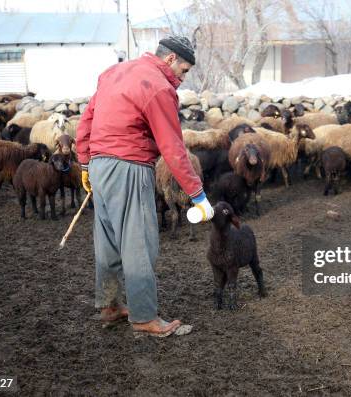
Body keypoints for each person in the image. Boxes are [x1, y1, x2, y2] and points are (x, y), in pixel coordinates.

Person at [76, 36, 214, 337]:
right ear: (170, 60)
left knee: (108, 239)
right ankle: (143, 317)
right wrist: (197, 194)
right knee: (139, 242)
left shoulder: (113, 72)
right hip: (129, 165)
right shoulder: (158, 87)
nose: (183, 76)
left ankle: (109, 305)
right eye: (185, 69)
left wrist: (85, 163)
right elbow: (173, 148)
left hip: (99, 166)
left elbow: (86, 120)